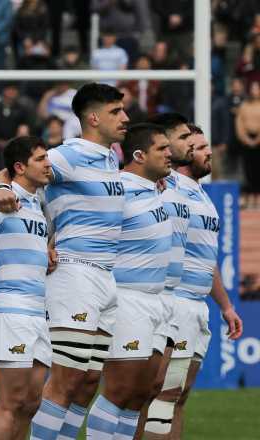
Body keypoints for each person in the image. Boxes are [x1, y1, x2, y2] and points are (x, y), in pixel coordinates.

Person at [0, 83, 127, 440]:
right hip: (75, 272)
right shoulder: (70, 154)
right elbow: (17, 171)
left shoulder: (111, 157)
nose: (125, 118)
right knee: (66, 382)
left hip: (105, 277)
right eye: (116, 111)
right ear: (94, 117)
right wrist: (0, 186)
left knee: (87, 382)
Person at [146, 125, 244, 439]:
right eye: (199, 146)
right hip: (175, 302)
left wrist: (226, 306)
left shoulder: (202, 196)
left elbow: (206, 257)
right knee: (161, 394)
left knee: (177, 396)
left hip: (198, 306)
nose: (207, 151)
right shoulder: (167, 185)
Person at [78, 123, 172, 439]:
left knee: (141, 394)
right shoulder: (118, 188)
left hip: (157, 300)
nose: (169, 153)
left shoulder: (155, 188)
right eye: (162, 148)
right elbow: (81, 221)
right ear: (139, 155)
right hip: (126, 297)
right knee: (119, 390)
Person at [0, 136, 52, 440]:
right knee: (11, 402)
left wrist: (47, 252)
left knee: (31, 403)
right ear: (20, 167)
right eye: (40, 159)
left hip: (37, 311)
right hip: (9, 309)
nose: (48, 164)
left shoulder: (37, 205)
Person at [136, 113, 193, 438]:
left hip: (173, 299)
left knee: (165, 389)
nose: (188, 145)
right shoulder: (130, 183)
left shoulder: (181, 187)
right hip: (138, 297)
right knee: (129, 390)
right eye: (184, 138)